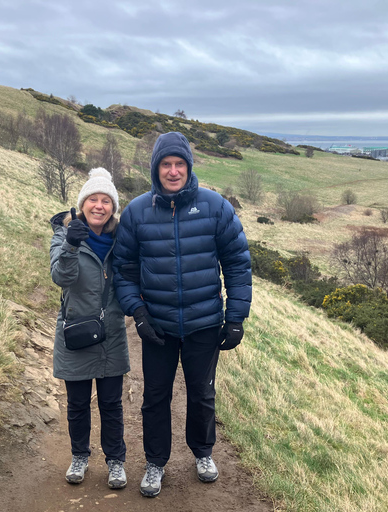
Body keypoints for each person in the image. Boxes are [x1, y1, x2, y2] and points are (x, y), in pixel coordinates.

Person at [113, 132, 251, 497]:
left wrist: (235, 317)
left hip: (204, 323)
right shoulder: (136, 212)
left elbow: (237, 264)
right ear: (155, 168)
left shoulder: (216, 207)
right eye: (165, 164)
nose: (173, 172)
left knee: (202, 394)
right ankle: (155, 463)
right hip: (156, 325)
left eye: (179, 164)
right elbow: (124, 269)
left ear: (189, 167)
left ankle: (203, 453)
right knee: (155, 397)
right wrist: (138, 313)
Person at [49, 168, 130, 489]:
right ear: (82, 204)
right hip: (75, 333)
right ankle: (79, 457)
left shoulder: (121, 238)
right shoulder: (63, 234)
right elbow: (61, 278)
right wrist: (70, 245)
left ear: (113, 207)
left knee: (112, 404)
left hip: (111, 335)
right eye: (93, 199)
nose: (99, 206)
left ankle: (115, 462)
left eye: (106, 200)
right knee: (78, 404)